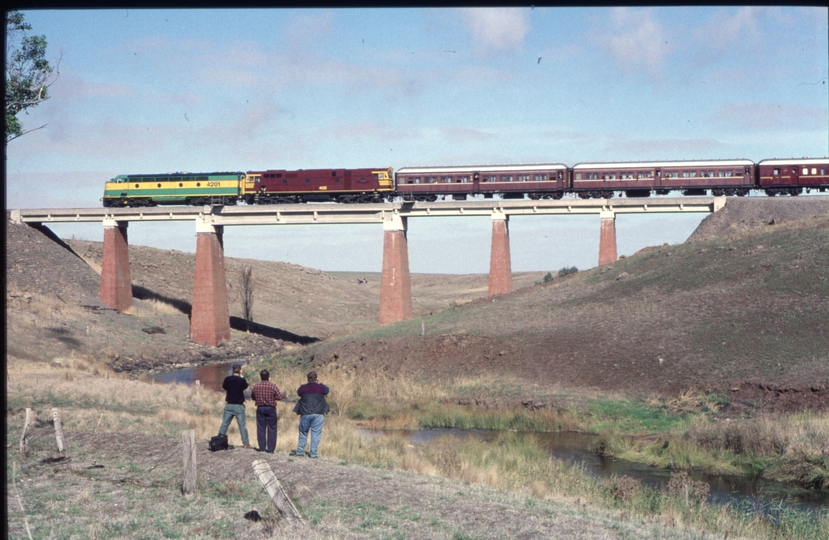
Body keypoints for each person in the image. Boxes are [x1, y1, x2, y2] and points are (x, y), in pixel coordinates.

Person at [290, 371, 329, 458]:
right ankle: (313, 454)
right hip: (318, 413)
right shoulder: (321, 387)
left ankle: (300, 451)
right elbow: (327, 390)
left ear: (307, 379)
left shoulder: (303, 388)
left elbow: (298, 393)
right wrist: (319, 383)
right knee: (315, 433)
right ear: (316, 379)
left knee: (303, 432)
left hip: (305, 413)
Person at [218, 363, 252, 449]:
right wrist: (242, 376)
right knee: (242, 426)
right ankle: (246, 444)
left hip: (229, 405)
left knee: (224, 424)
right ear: (240, 370)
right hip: (239, 406)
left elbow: (224, 387)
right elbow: (246, 386)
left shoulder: (227, 379)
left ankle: (219, 442)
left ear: (232, 370)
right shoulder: (241, 380)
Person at [251, 369, 283, 454]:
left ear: (260, 377)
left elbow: (253, 397)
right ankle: (271, 449)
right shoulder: (273, 386)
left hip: (260, 408)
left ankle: (262, 448)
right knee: (272, 428)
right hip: (270, 408)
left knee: (261, 428)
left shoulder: (256, 386)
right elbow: (279, 397)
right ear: (268, 377)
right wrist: (272, 398)